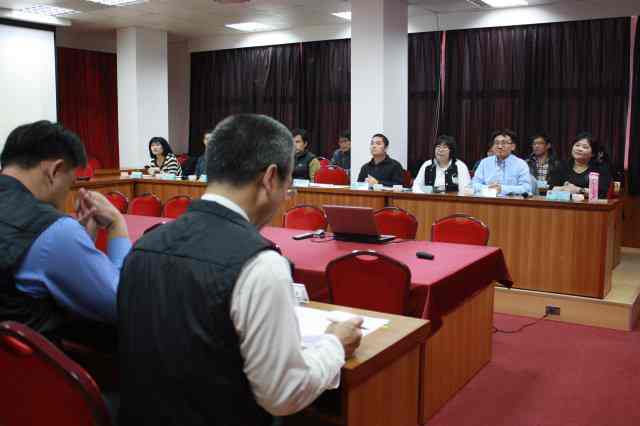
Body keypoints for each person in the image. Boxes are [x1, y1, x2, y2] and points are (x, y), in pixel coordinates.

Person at [117, 114, 363, 426]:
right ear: (270, 178)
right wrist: (334, 344)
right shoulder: (260, 264)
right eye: (288, 187)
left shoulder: (142, 247)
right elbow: (284, 393)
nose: (285, 199)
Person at [0, 121, 130, 347]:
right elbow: (122, 305)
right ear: (55, 170)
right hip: (39, 365)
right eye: (70, 184)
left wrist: (80, 241)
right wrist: (117, 225)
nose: (66, 195)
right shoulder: (53, 230)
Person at [549, 132, 612, 198]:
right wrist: (564, 188)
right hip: (564, 203)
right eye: (577, 145)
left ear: (593, 154)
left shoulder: (600, 169)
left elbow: (602, 193)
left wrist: (578, 190)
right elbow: (551, 188)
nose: (579, 149)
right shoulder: (562, 166)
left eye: (585, 147)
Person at [472, 129, 531, 195]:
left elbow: (526, 188)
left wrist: (502, 189)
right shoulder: (484, 163)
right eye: (496, 143)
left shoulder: (521, 164)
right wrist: (489, 188)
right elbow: (474, 184)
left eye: (504, 143)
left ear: (513, 146)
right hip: (488, 199)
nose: (499, 147)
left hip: (511, 200)